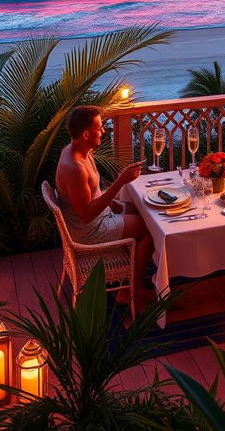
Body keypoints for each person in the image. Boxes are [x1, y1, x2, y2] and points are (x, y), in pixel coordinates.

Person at [56, 104, 155, 305]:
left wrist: (116, 204)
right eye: (99, 127)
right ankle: (130, 291)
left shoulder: (81, 151)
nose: (103, 131)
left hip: (100, 218)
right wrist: (121, 181)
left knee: (143, 207)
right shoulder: (74, 168)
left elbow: (92, 195)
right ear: (85, 134)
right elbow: (86, 215)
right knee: (151, 227)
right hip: (89, 233)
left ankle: (138, 273)